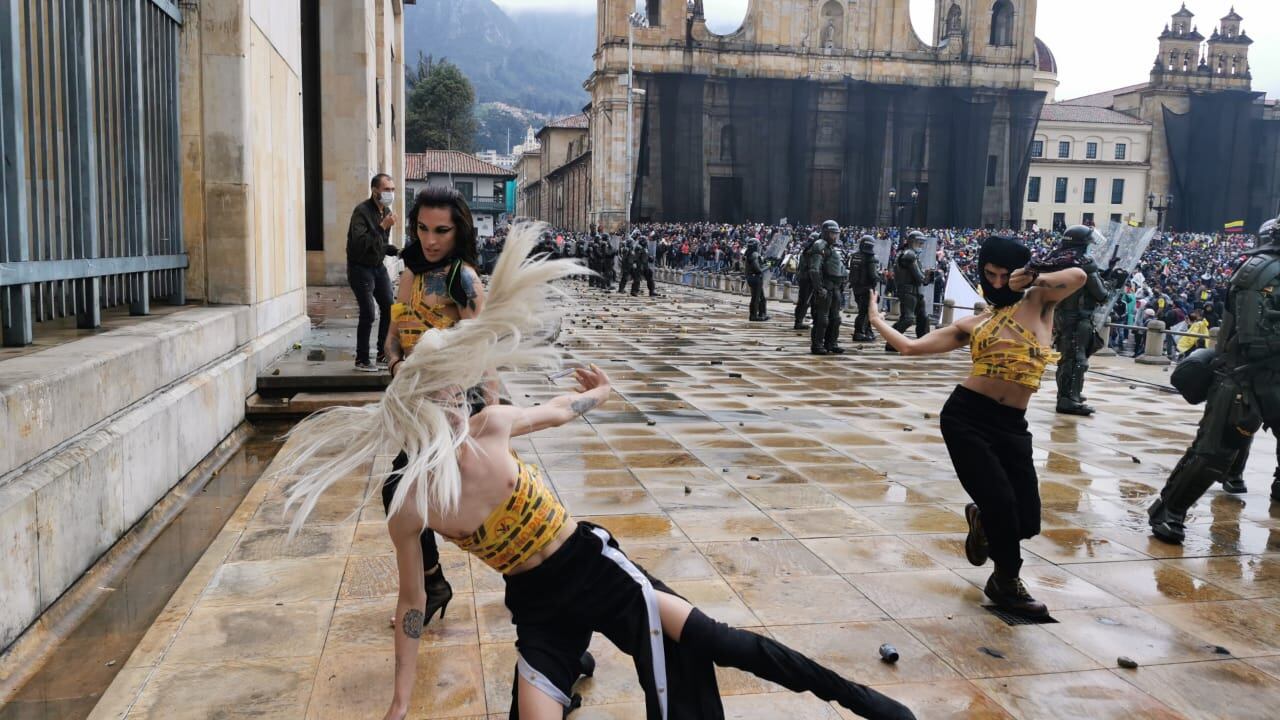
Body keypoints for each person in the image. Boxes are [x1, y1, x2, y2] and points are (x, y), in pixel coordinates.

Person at [274, 225, 916, 720]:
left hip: (594, 569)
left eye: (456, 389)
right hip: (538, 608)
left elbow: (559, 410)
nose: (458, 400)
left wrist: (600, 394)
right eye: (445, 394)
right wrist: (399, 701)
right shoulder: (411, 502)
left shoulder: (491, 425)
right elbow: (412, 604)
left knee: (720, 643)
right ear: (420, 408)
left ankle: (868, 704)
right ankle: (571, 662)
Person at [869, 235, 1086, 617]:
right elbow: (910, 347)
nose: (998, 283)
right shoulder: (976, 322)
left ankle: (982, 521)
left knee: (1026, 518)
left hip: (1012, 424)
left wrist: (1033, 277)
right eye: (990, 274)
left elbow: (1079, 276)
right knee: (1001, 501)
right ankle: (1006, 581)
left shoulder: (1039, 300)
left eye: (1005, 274)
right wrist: (875, 320)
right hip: (967, 418)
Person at [377, 186, 490, 630]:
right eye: (423, 228)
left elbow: (483, 354)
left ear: (458, 231)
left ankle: (536, 588)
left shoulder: (464, 279)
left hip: (456, 410)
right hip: (417, 410)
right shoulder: (409, 273)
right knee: (408, 495)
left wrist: (487, 416)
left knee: (480, 508)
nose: (429, 239)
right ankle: (432, 582)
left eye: (441, 230)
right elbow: (392, 337)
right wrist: (398, 365)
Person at [1149, 215, 1280, 543]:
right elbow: (1255, 337)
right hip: (1245, 374)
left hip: (1272, 374)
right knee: (1214, 453)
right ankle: (1170, 511)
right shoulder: (1260, 270)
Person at [1051, 225, 1122, 415]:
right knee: (1078, 359)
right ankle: (1068, 399)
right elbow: (1101, 294)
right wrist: (1115, 282)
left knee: (1067, 356)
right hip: (1078, 317)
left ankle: (1069, 392)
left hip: (1061, 315)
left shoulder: (1059, 260)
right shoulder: (1085, 264)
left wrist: (1107, 271)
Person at [346, 173, 402, 372]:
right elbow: (360, 244)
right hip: (360, 268)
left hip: (378, 267)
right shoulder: (361, 212)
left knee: (390, 308)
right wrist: (382, 226)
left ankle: (382, 353)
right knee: (369, 313)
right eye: (386, 189)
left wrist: (397, 251)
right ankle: (361, 359)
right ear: (375, 190)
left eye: (392, 190)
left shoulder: (385, 211)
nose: (390, 193)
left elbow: (380, 244)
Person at [806, 220, 848, 355]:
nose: (834, 236)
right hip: (826, 286)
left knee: (836, 319)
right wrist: (819, 288)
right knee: (822, 318)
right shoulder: (820, 245)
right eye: (832, 234)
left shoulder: (832, 247)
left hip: (835, 287)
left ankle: (831, 343)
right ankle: (817, 345)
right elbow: (814, 269)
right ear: (825, 233)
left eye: (836, 234)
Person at [887, 231, 930, 352]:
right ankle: (891, 341)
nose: (920, 245)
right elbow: (920, 277)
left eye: (921, 243)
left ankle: (924, 342)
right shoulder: (909, 255)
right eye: (918, 242)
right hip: (908, 291)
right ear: (911, 242)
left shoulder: (909, 254)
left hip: (915, 291)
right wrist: (927, 276)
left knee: (923, 317)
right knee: (908, 318)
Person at [849, 234, 880, 342]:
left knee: (863, 311)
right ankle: (859, 332)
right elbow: (873, 275)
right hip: (867, 288)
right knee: (865, 312)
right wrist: (880, 277)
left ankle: (867, 331)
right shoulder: (870, 257)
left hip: (856, 287)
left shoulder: (855, 256)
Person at [794, 231, 820, 330]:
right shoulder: (812, 252)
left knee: (809, 301)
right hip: (808, 279)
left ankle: (803, 321)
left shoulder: (806, 250)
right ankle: (799, 322)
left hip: (804, 278)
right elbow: (813, 268)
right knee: (806, 301)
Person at [743, 237, 769, 321]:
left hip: (751, 277)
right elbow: (758, 269)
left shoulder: (749, 253)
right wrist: (768, 266)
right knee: (756, 298)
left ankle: (762, 314)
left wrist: (766, 263)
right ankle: (754, 316)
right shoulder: (754, 254)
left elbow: (759, 264)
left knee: (761, 298)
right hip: (755, 277)